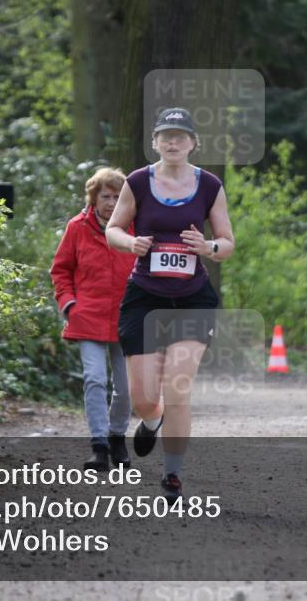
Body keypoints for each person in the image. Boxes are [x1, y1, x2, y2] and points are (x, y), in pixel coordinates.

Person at [105, 107, 235, 500]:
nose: (173, 141)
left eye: (181, 135)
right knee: (144, 398)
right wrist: (131, 243)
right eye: (166, 135)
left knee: (178, 387)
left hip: (193, 299)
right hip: (145, 296)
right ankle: (153, 419)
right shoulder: (137, 182)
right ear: (155, 142)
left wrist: (208, 247)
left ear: (194, 143)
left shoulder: (210, 185)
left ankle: (172, 475)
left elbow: (227, 242)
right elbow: (112, 228)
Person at [50, 167, 138, 471]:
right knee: (95, 379)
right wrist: (69, 304)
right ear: (93, 197)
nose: (111, 203)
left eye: (117, 197)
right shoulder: (77, 227)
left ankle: (117, 437)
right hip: (87, 317)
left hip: (127, 318)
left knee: (126, 388)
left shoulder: (134, 228)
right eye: (105, 196)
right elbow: (60, 271)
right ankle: (99, 445)